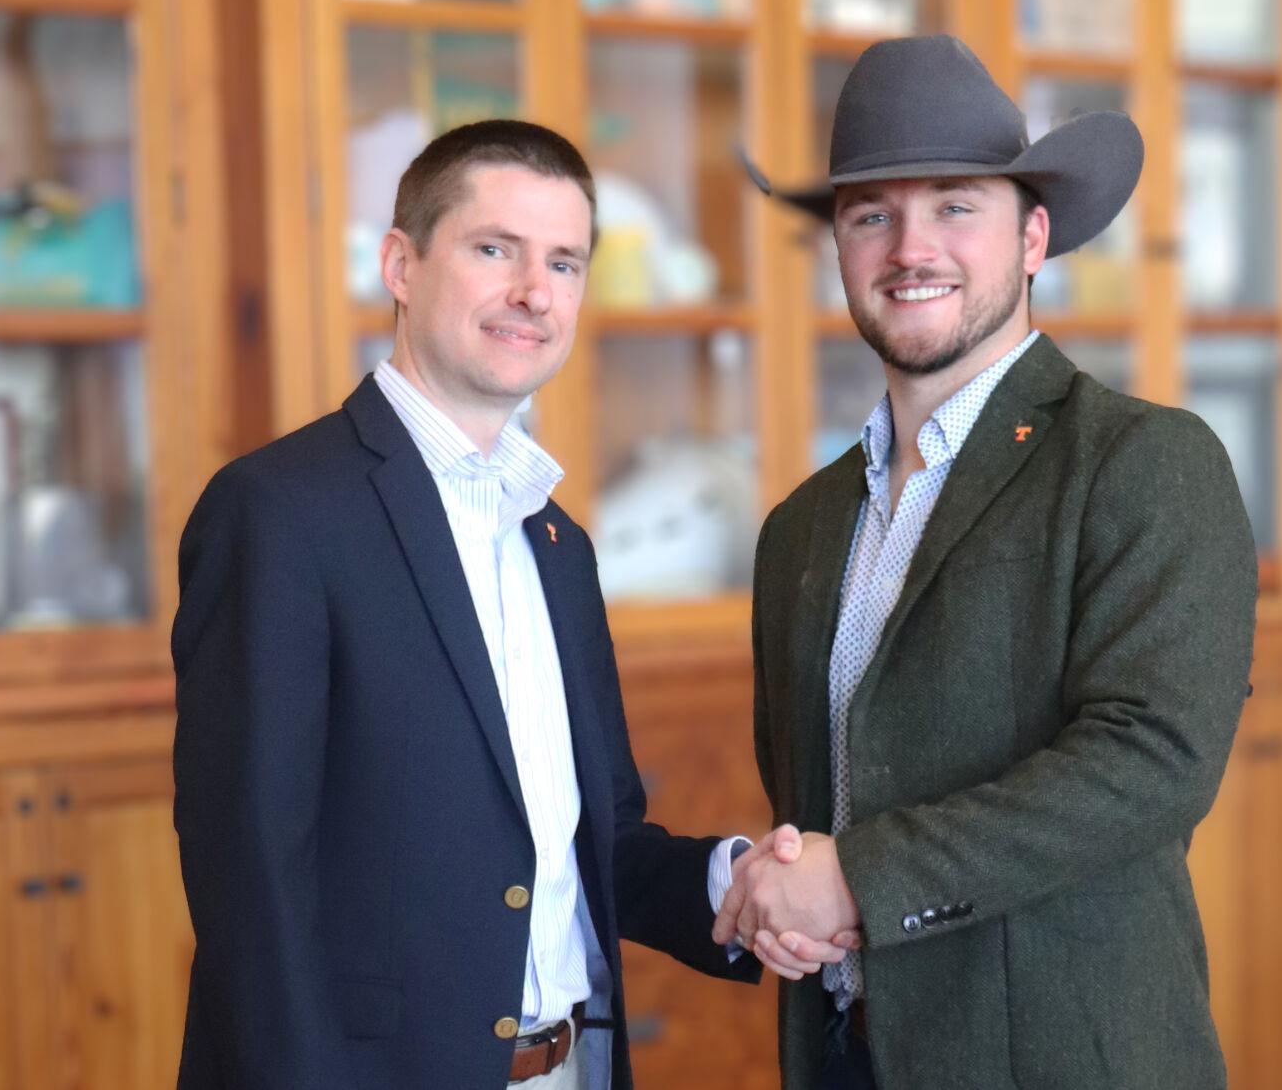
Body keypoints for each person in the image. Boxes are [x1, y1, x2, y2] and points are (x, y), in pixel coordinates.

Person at [171, 119, 842, 1090]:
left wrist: (733, 881)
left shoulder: (554, 537)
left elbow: (595, 837)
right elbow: (250, 880)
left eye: (564, 263)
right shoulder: (278, 511)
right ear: (400, 263)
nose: (535, 292)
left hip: (573, 1064)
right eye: (495, 250)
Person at [713, 35, 1259, 1088]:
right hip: (840, 1056)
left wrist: (856, 881)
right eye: (871, 213)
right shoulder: (798, 527)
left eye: (955, 205)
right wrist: (790, 900)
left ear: (1031, 236)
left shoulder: (1142, 461)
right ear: (839, 246)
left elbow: (1148, 759)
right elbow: (816, 801)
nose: (909, 246)